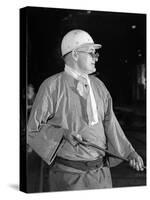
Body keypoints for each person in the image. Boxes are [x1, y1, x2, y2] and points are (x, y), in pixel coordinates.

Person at [27, 29, 144, 192]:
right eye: (91, 52)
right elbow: (32, 130)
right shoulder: (52, 87)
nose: (96, 57)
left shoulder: (99, 86)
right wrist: (62, 134)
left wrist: (130, 153)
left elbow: (112, 125)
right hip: (69, 180)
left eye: (95, 53)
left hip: (102, 177)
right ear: (75, 54)